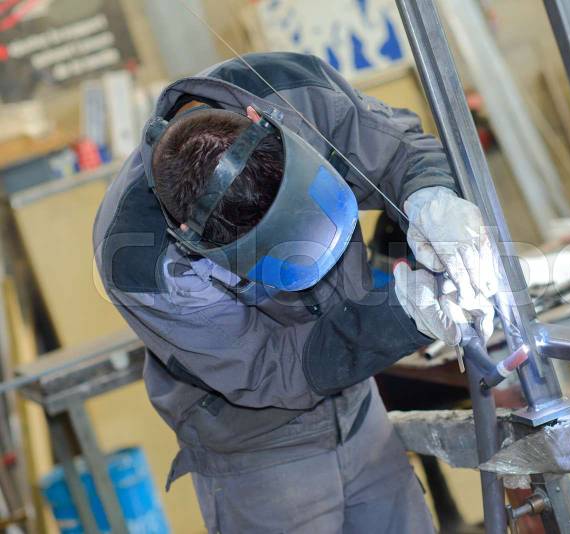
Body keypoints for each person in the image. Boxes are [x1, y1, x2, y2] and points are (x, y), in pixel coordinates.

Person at [93, 51, 497, 533]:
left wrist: (430, 194)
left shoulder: (289, 89)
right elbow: (269, 368)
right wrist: (405, 314)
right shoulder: (141, 261)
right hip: (260, 452)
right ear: (187, 234)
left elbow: (396, 150)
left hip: (358, 404)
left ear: (259, 119)